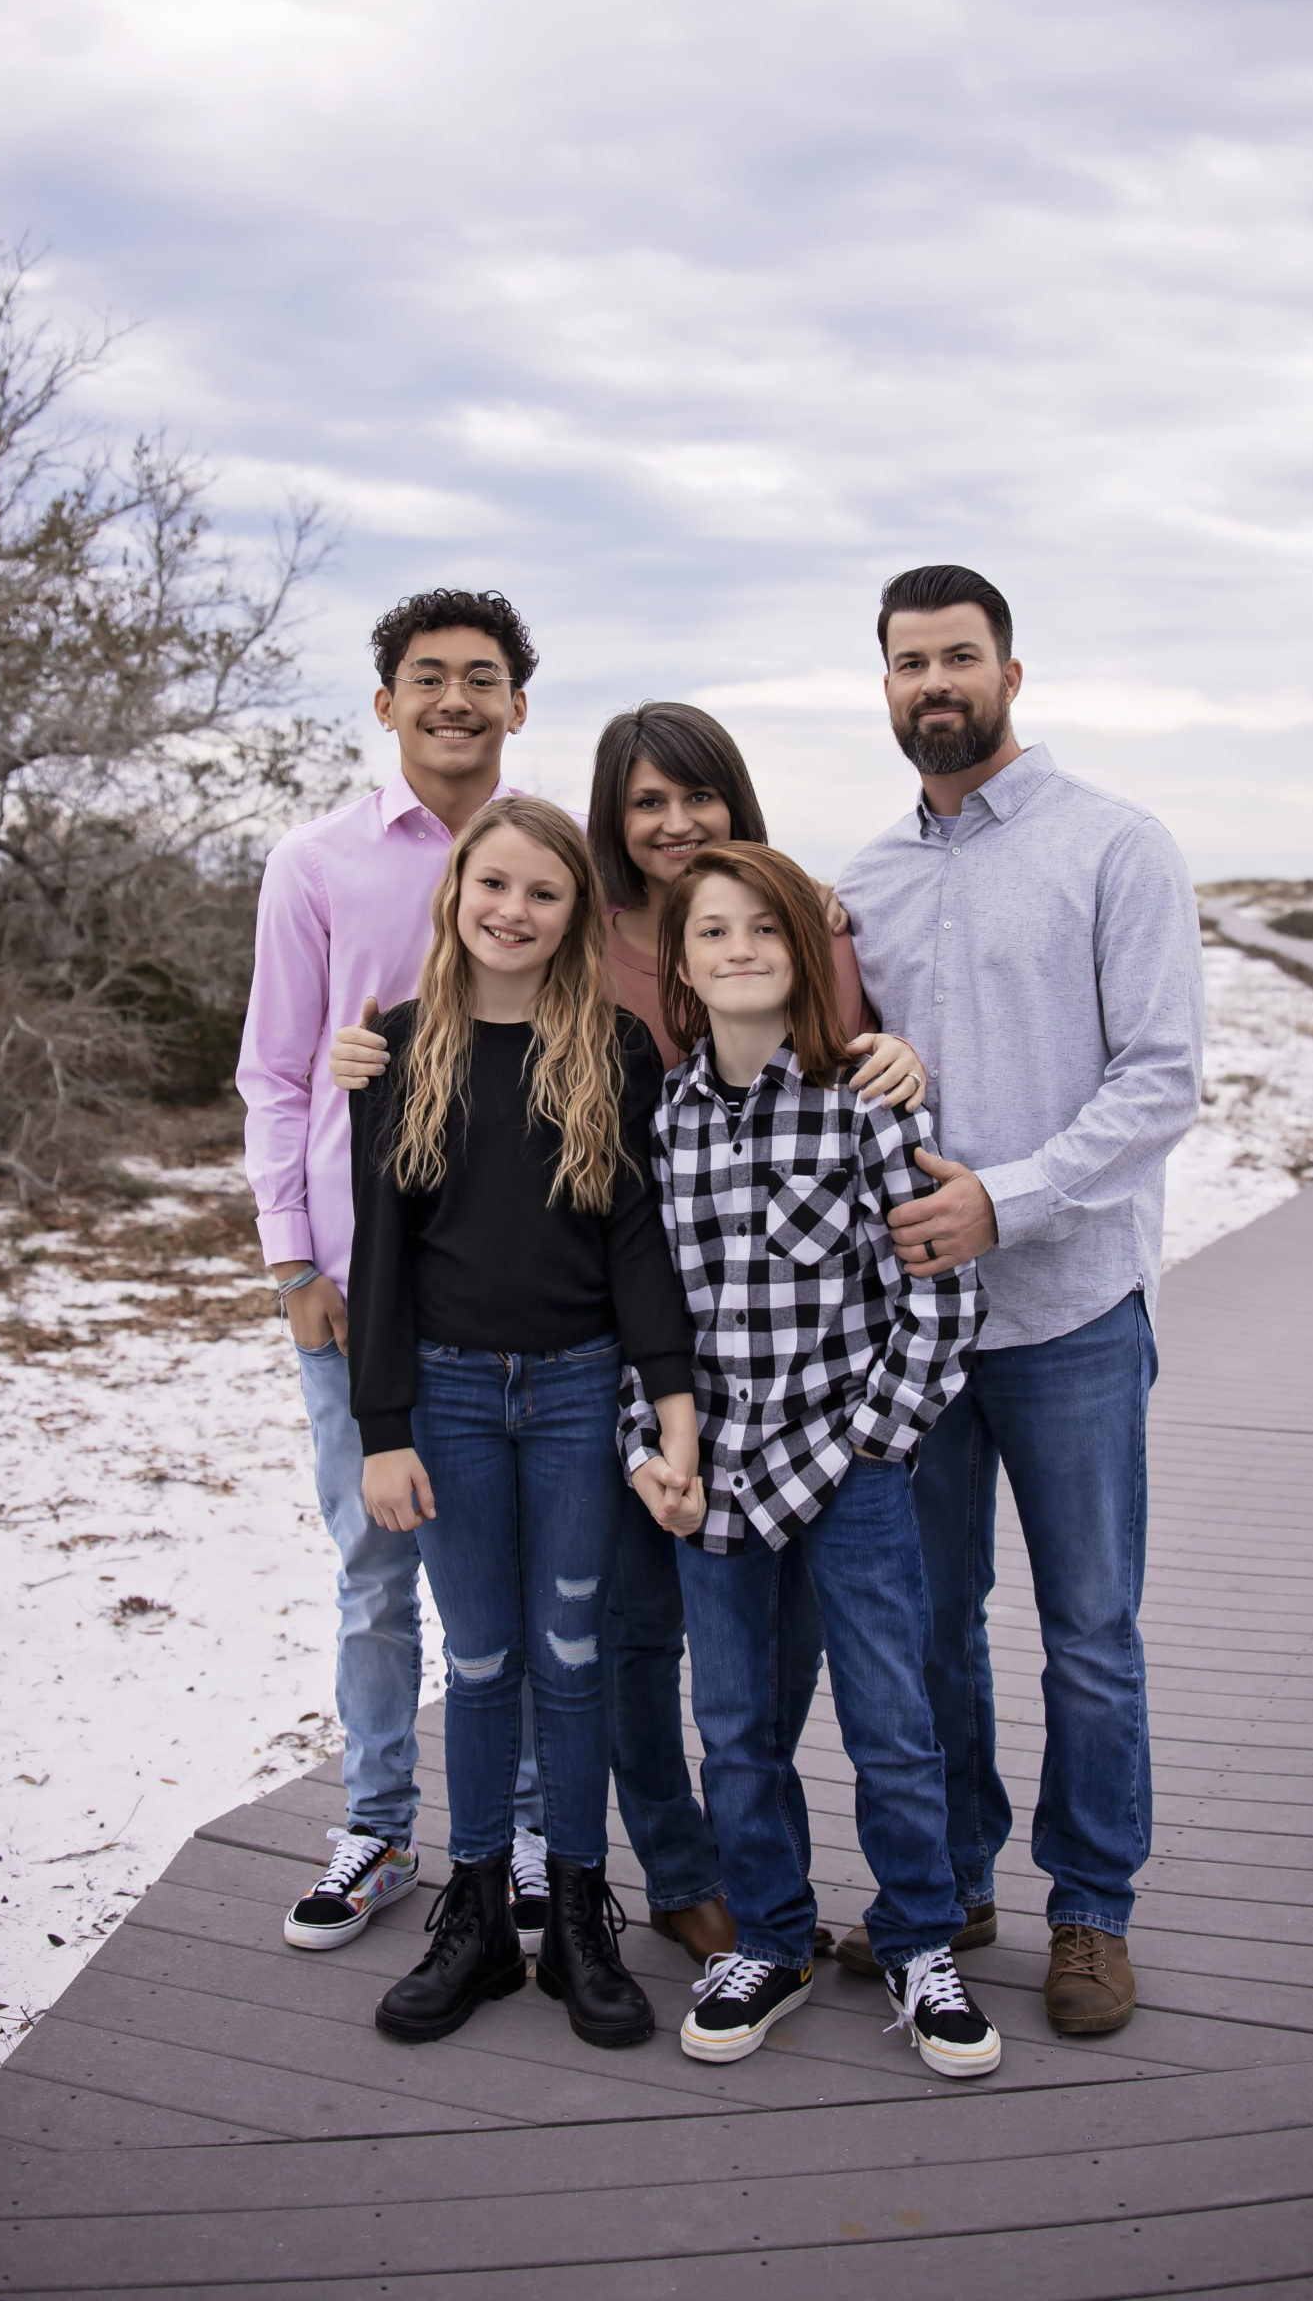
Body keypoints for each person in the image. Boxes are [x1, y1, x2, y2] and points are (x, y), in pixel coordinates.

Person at [330, 697, 930, 1964]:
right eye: (646, 800)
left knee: (773, 1657)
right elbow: (467, 1053)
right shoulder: (575, 937)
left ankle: (779, 1877)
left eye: (696, 796)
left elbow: (846, 1058)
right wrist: (361, 1054)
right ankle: (674, 1866)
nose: (673, 821)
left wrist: (901, 1058)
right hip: (608, 1367)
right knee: (628, 1634)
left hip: (783, 1378)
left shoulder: (790, 914)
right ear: (612, 817)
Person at [831, 563, 1204, 2035]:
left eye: (958, 658)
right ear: (882, 686)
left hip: (1067, 1312)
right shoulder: (857, 883)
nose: (934, 683)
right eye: (908, 662)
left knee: (1089, 1630)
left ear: (1009, 673)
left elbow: (1160, 1082)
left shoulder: (1112, 847)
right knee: (930, 1627)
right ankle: (955, 1878)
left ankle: (1091, 1910)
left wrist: (1009, 1197)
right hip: (911, 1330)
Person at [622, 840, 1001, 2079]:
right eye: (712, 932)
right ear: (680, 964)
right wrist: (650, 1448)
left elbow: (940, 1296)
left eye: (764, 930)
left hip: (851, 1467)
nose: (739, 950)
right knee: (734, 1727)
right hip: (717, 1477)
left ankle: (917, 1938)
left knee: (892, 1719)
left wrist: (877, 1447)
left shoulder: (863, 1101)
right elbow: (647, 1317)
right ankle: (774, 1937)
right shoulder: (666, 1123)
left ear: (803, 951)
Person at [349, 797, 701, 2048]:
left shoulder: (612, 1046)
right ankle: (483, 1908)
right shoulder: (397, 1050)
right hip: (443, 1396)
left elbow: (640, 1245)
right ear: (455, 893)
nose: (513, 910)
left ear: (573, 919)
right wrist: (381, 1425)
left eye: (543, 893)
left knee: (574, 1652)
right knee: (483, 1656)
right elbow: (380, 1258)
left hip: (574, 1390)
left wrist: (671, 1411)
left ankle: (581, 1916)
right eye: (492, 884)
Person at [236, 586, 550, 1954]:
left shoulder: (555, 854)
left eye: (481, 679)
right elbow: (273, 1067)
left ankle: (536, 1835)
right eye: (427, 678)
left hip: (518, 1290)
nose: (454, 702)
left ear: (515, 707)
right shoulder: (315, 861)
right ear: (385, 704)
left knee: (523, 1574)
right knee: (372, 1570)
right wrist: (288, 1252)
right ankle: (373, 1828)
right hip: (354, 1284)